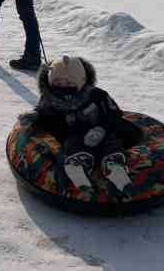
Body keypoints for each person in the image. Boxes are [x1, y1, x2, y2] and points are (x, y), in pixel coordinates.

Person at [22, 55, 143, 192]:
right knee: (73, 143)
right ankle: (77, 168)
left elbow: (114, 113)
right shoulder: (50, 98)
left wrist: (102, 128)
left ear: (82, 81)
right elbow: (46, 114)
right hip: (74, 134)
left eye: (69, 83)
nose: (63, 87)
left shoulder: (97, 95)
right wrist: (35, 116)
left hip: (101, 129)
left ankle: (115, 168)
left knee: (111, 142)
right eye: (58, 83)